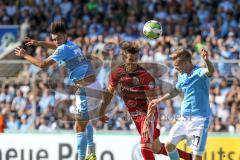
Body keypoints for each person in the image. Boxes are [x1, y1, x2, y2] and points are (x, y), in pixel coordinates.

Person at [15, 21, 97, 160]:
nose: (56, 41)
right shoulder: (70, 44)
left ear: (65, 35)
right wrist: (39, 43)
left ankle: (83, 157)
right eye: (54, 38)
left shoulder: (63, 48)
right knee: (84, 121)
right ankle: (91, 152)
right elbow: (57, 46)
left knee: (78, 127)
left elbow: (42, 65)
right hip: (93, 85)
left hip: (85, 88)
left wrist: (25, 55)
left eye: (59, 37)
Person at [99, 41, 192, 160]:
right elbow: (109, 93)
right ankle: (191, 157)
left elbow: (152, 102)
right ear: (123, 58)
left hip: (148, 113)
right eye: (131, 59)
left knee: (144, 147)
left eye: (136, 59)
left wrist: (147, 123)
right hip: (135, 116)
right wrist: (101, 111)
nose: (134, 63)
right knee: (156, 148)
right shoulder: (116, 73)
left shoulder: (144, 76)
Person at [148, 48, 214, 160]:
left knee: (197, 156)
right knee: (169, 145)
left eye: (177, 64)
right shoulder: (181, 75)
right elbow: (175, 91)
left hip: (200, 120)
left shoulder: (199, 73)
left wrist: (207, 60)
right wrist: (159, 100)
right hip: (184, 119)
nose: (175, 67)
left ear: (186, 62)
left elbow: (210, 70)